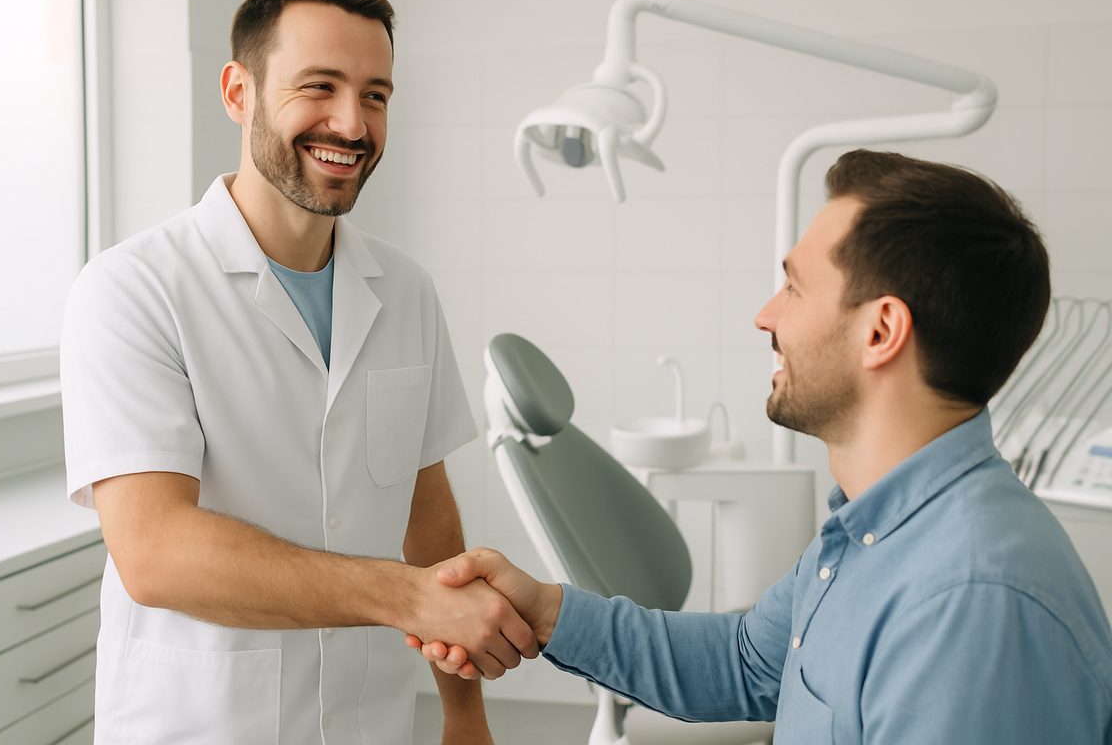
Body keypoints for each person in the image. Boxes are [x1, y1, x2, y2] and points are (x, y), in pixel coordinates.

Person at [408, 150, 1112, 744]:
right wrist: (547, 611)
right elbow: (746, 661)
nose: (765, 316)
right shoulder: (870, 529)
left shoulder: (974, 606)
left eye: (794, 287)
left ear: (880, 332)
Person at [60, 0, 535, 745]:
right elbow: (155, 553)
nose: (351, 123)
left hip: (367, 721)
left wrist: (464, 715)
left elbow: (427, 512)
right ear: (238, 92)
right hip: (202, 724)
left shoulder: (406, 292)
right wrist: (405, 599)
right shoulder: (133, 289)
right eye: (320, 86)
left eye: (375, 95)